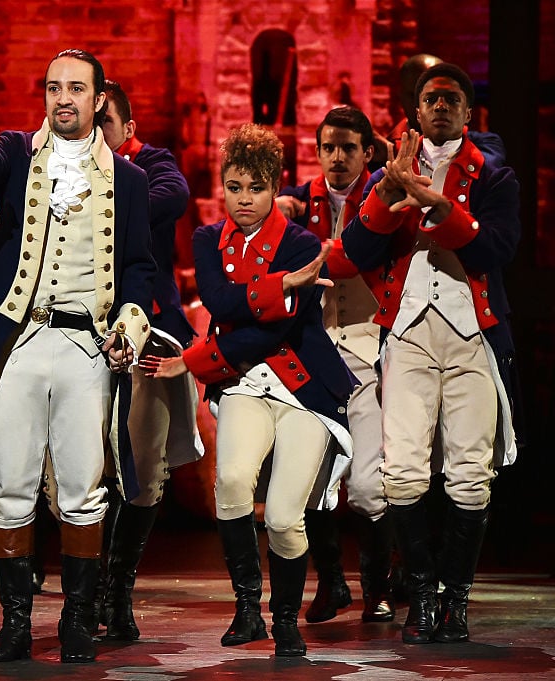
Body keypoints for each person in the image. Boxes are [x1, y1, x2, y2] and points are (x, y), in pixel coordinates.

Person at [0, 49, 154, 664]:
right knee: (10, 483)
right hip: (23, 340)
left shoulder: (130, 183)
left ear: (99, 99)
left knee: (84, 486)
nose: (64, 99)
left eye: (77, 89)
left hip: (87, 343)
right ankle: (15, 624)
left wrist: (129, 329)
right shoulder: (16, 157)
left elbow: (140, 268)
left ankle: (78, 621)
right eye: (54, 88)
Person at [141, 123, 357, 657]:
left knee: (285, 515)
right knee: (233, 482)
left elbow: (273, 328)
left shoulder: (303, 243)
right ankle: (247, 610)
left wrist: (193, 360)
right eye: (234, 187)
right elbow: (220, 302)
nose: (244, 200)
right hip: (243, 383)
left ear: (274, 187)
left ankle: (286, 618)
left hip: (304, 387)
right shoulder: (206, 239)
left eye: (255, 189)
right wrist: (282, 285)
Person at [341, 62, 520, 644]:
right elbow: (352, 252)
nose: (440, 106)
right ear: (416, 112)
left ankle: (455, 601)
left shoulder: (493, 175)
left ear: (469, 113)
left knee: (470, 473)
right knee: (403, 471)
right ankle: (420, 593)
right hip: (411, 331)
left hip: (472, 333)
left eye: (451, 99)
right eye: (430, 99)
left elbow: (497, 247)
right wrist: (389, 195)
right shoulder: (391, 171)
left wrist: (439, 209)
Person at [277, 105, 397, 624]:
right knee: (315, 478)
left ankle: (378, 587)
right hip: (318, 355)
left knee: (370, 484)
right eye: (329, 147)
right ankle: (331, 583)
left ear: (367, 153)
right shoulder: (299, 202)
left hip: (371, 352)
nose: (338, 158)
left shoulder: (385, 198)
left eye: (349, 148)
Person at [93, 78, 200, 641]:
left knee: (143, 467)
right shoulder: (53, 166)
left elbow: (173, 198)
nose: (93, 133)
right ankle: (85, 589)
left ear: (128, 130)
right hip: (77, 335)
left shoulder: (151, 166)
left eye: (104, 122)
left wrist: (94, 193)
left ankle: (119, 588)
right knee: (74, 472)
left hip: (148, 334)